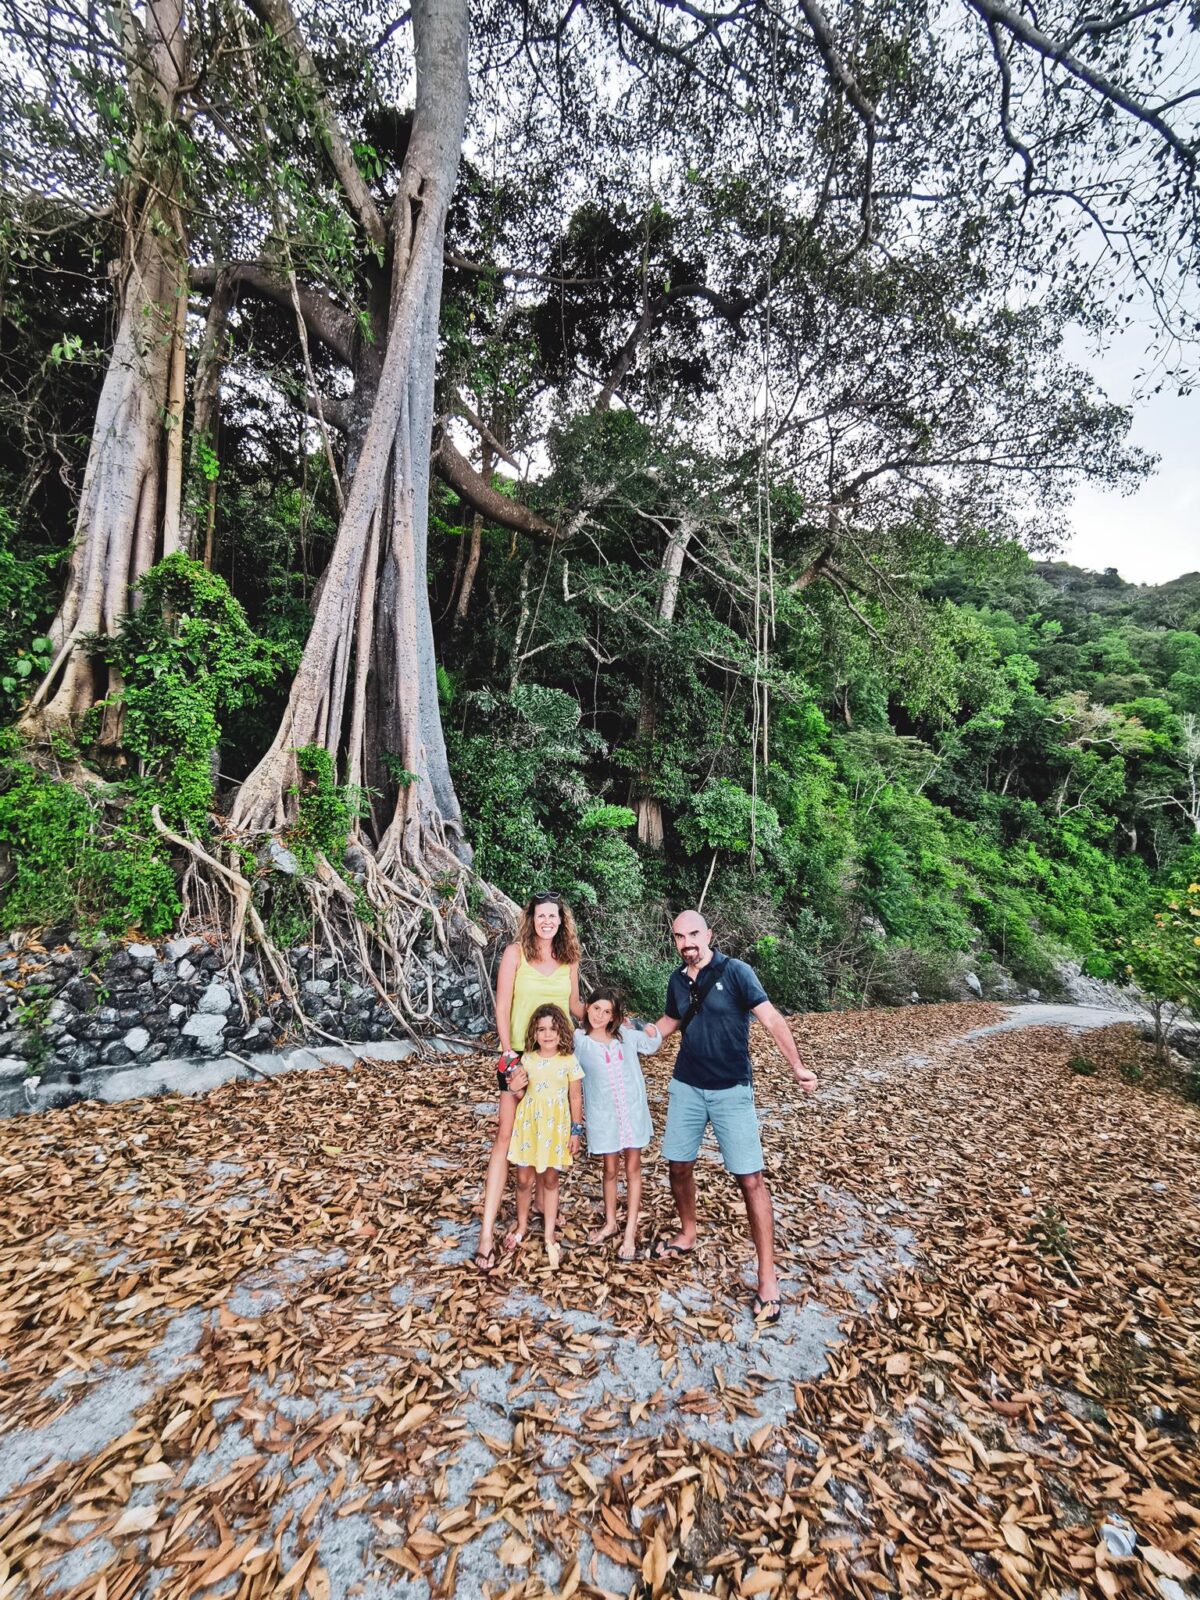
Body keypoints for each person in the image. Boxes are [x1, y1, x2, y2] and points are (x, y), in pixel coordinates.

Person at [649, 909, 818, 1323]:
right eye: (679, 937)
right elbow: (669, 1023)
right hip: (687, 1084)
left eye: (693, 934)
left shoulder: (737, 971)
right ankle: (688, 1233)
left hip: (731, 1089)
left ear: (709, 934)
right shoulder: (676, 979)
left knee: (751, 1179)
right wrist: (620, 1035)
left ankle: (767, 1276)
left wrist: (797, 1066)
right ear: (674, 941)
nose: (687, 943)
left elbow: (772, 1019)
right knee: (678, 1166)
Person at [474, 891, 582, 1271]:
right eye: (541, 916)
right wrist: (507, 1056)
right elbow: (502, 1006)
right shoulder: (514, 954)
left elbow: (574, 1007)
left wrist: (610, 1013)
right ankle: (486, 1234)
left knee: (548, 1132)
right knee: (506, 1137)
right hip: (519, 1055)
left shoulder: (570, 958)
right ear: (531, 919)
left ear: (561, 920)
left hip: (557, 1058)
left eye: (553, 916)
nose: (547, 922)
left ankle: (541, 1207)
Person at [573, 987, 660, 1261]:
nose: (600, 1015)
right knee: (609, 1169)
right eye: (596, 1008)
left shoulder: (625, 1038)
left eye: (607, 1011)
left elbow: (652, 1044)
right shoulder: (580, 1041)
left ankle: (630, 1231)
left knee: (633, 1168)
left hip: (632, 1113)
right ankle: (610, 1222)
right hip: (604, 1117)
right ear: (587, 1008)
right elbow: (567, 1071)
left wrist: (648, 1029)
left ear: (614, 1016)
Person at [504, 1004, 584, 1270]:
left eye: (553, 1028)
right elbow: (519, 1094)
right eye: (541, 1029)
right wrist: (514, 1089)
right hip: (529, 1127)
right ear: (534, 1033)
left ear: (562, 1031)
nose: (547, 1034)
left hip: (555, 1130)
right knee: (524, 1179)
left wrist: (576, 1131)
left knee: (550, 1180)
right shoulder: (526, 1059)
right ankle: (522, 1224)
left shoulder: (569, 1062)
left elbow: (575, 1097)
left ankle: (549, 1232)